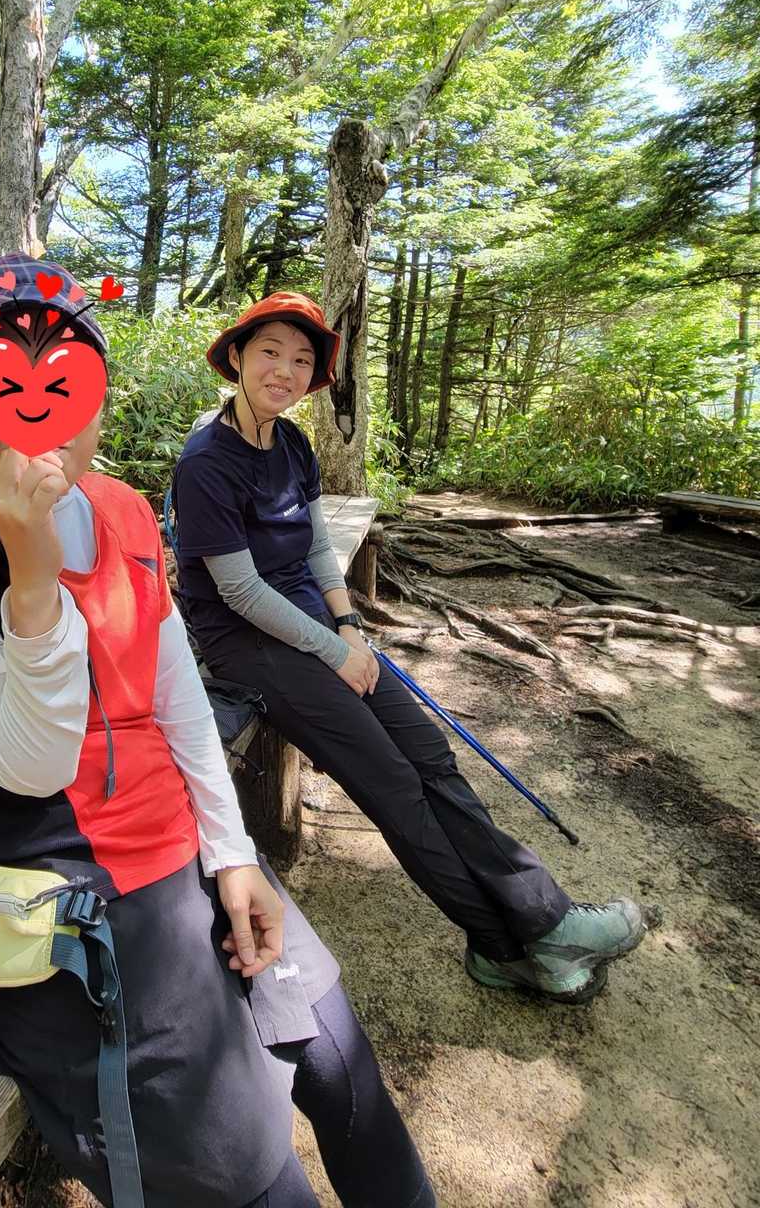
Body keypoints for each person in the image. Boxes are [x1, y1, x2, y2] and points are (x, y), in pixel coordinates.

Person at [0, 256, 436, 1208]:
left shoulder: (122, 509)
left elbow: (177, 700)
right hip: (61, 895)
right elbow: (34, 763)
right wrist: (32, 577)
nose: (37, 415)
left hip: (182, 849)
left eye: (67, 380)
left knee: (340, 1065)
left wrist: (233, 853)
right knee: (247, 1173)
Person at [171, 291, 658, 1006]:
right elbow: (239, 592)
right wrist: (333, 651)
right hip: (245, 642)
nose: (285, 370)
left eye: (302, 360)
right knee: (392, 782)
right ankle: (503, 946)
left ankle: (544, 923)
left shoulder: (294, 444)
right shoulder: (207, 462)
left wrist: (348, 627)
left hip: (312, 623)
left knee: (429, 756)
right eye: (269, 351)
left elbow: (314, 548)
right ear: (237, 357)